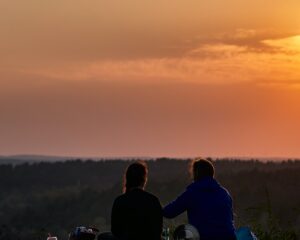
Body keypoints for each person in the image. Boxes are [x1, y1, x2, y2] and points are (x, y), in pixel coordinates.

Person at [163, 158, 237, 240]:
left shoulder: (192, 193)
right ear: (212, 173)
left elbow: (169, 212)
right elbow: (230, 219)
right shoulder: (224, 193)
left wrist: (154, 208)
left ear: (196, 174)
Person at [110, 161, 162, 240]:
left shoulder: (119, 201)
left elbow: (115, 230)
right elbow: (158, 232)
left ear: (127, 179)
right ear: (144, 180)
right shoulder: (153, 201)